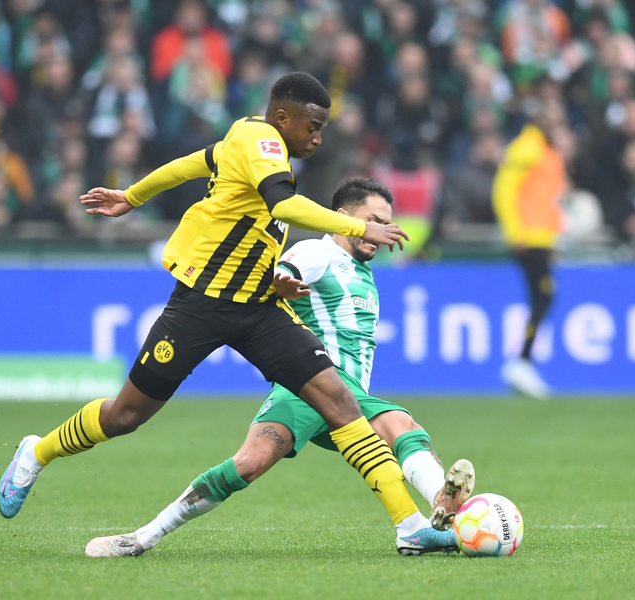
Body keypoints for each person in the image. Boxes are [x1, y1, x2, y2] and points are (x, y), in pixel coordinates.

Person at [0, 72, 449, 553]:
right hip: (201, 304)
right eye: (312, 126)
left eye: (322, 128)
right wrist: (354, 224)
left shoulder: (244, 141)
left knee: (340, 402)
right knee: (126, 415)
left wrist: (133, 196)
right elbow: (285, 204)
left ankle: (409, 525)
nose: (317, 138)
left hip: (257, 306)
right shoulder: (261, 140)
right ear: (282, 117)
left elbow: (191, 164)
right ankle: (37, 451)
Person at [84, 178, 475, 557]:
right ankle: (143, 537)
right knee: (249, 464)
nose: (381, 231)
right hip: (309, 387)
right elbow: (283, 271)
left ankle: (433, 512)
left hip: (349, 401)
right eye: (373, 221)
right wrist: (282, 282)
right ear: (343, 217)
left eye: (386, 222)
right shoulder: (319, 252)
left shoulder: (363, 273)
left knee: (401, 426)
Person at [493, 104, 565, 399]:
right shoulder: (526, 148)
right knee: (544, 295)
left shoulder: (544, 150)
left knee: (542, 296)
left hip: (541, 237)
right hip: (529, 236)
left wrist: (553, 238)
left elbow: (546, 199)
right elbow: (503, 189)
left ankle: (523, 361)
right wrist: (514, 231)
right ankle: (522, 361)